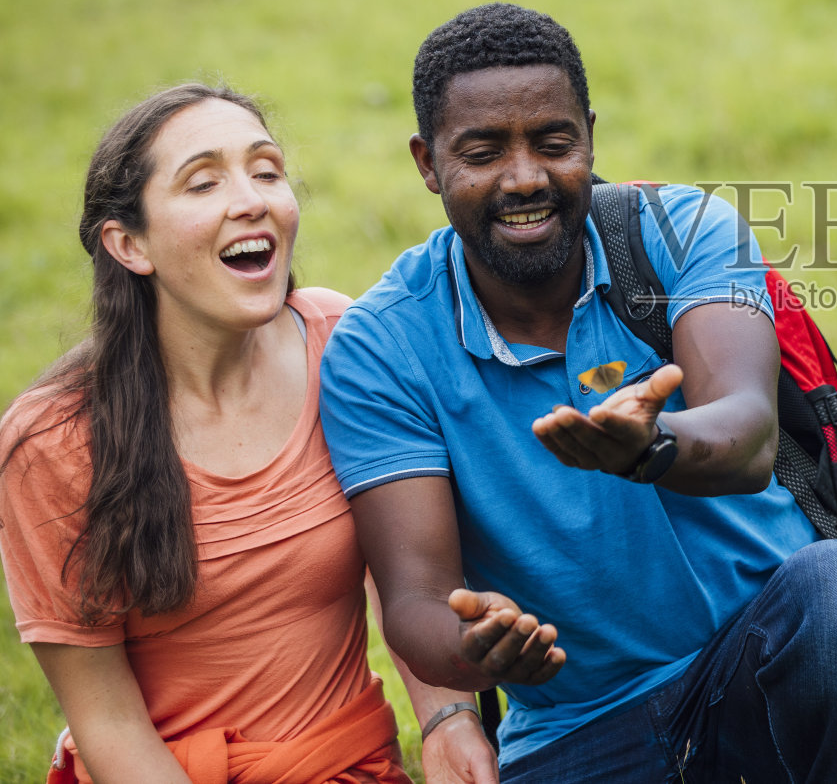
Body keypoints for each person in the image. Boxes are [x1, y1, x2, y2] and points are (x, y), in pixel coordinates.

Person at [318, 2, 837, 783]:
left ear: (590, 136)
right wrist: (470, 649)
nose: (526, 177)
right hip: (576, 731)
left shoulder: (688, 232)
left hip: (757, 663)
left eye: (554, 141)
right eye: (482, 151)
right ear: (428, 163)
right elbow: (415, 595)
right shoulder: (382, 343)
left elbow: (747, 434)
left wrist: (654, 445)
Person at [0, 84, 498, 784]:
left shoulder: (338, 341)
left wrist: (448, 718)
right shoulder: (51, 439)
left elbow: (401, 569)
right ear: (128, 243)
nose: (252, 199)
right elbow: (107, 721)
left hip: (350, 765)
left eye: (266, 170)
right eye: (203, 182)